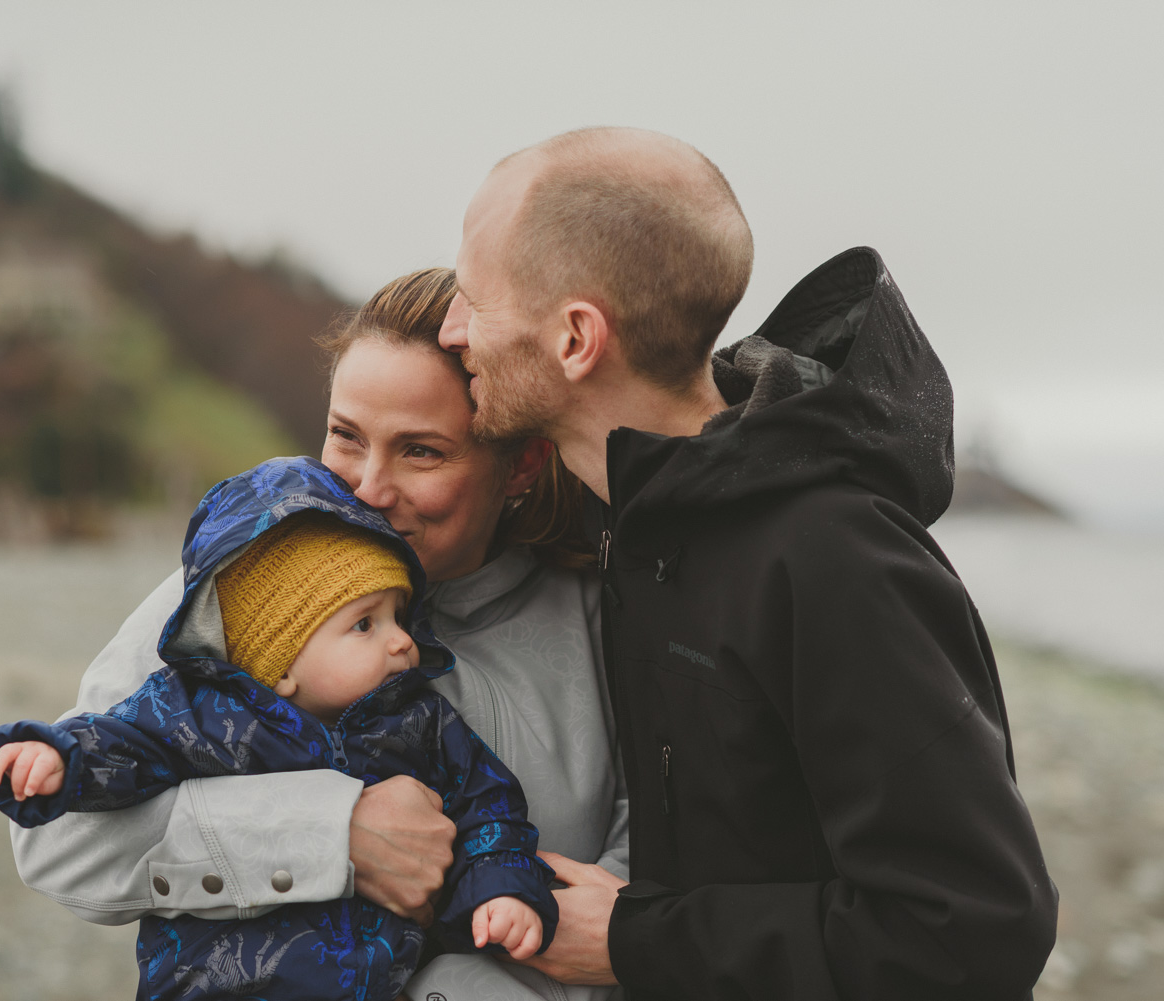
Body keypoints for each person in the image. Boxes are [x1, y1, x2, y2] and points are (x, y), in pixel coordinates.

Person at [436, 126, 1059, 999]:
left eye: (471, 295)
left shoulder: (838, 559)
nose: (451, 326)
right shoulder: (617, 513)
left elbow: (972, 928)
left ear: (577, 339)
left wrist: (637, 942)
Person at [8, 268, 628, 1001]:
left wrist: (603, 941)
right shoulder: (238, 588)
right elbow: (56, 843)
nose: (367, 488)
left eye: (421, 450)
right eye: (346, 437)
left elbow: (669, 841)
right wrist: (332, 835)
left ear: (521, 463)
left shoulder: (608, 613)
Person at [0, 463, 558, 1000]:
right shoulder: (207, 713)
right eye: (365, 624)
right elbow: (125, 744)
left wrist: (501, 889)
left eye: (398, 617)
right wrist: (59, 758)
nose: (402, 640)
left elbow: (490, 805)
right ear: (281, 666)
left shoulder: (421, 721)